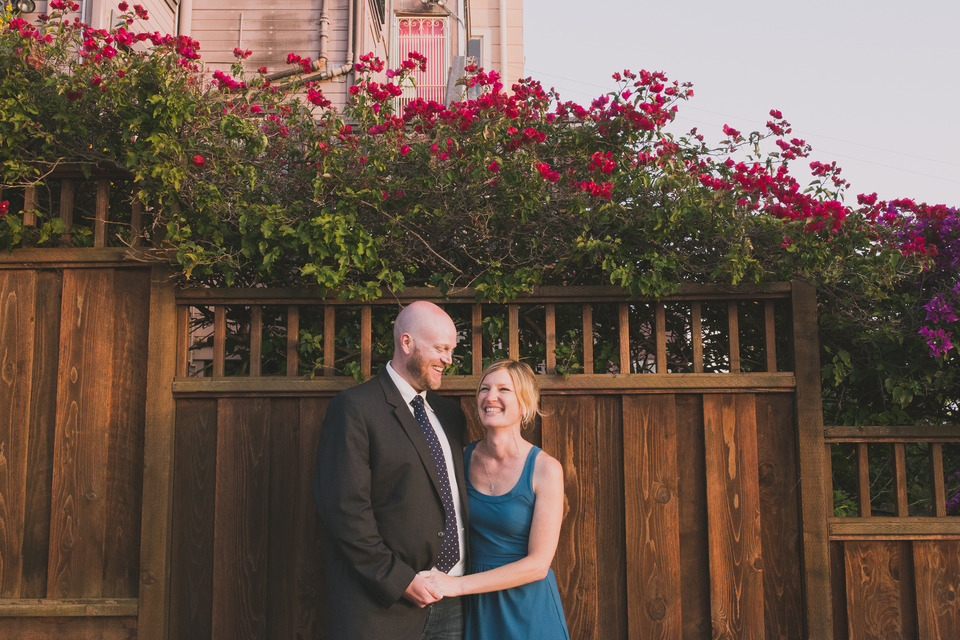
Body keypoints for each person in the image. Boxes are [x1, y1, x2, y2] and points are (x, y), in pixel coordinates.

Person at [314, 300, 468, 639]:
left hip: (453, 601)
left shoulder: (451, 415)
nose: (448, 360)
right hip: (382, 608)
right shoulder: (355, 408)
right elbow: (344, 511)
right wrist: (401, 581)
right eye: (441, 349)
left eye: (451, 350)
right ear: (407, 342)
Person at [420, 360, 569, 640]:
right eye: (484, 389)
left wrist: (455, 586)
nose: (490, 397)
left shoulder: (546, 469)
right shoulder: (459, 459)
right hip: (477, 609)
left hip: (528, 609)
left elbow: (538, 564)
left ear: (524, 402)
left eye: (504, 389)